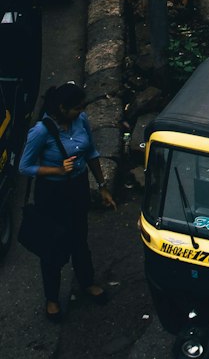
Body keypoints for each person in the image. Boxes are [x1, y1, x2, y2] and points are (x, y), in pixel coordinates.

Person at [19, 82, 116, 323]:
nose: (81, 112)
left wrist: (102, 187)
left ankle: (87, 282)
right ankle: (51, 298)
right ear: (62, 108)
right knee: (52, 245)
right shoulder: (41, 132)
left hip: (78, 187)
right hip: (52, 193)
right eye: (77, 108)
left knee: (79, 239)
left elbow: (91, 153)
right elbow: (25, 166)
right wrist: (56, 170)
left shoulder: (80, 121)